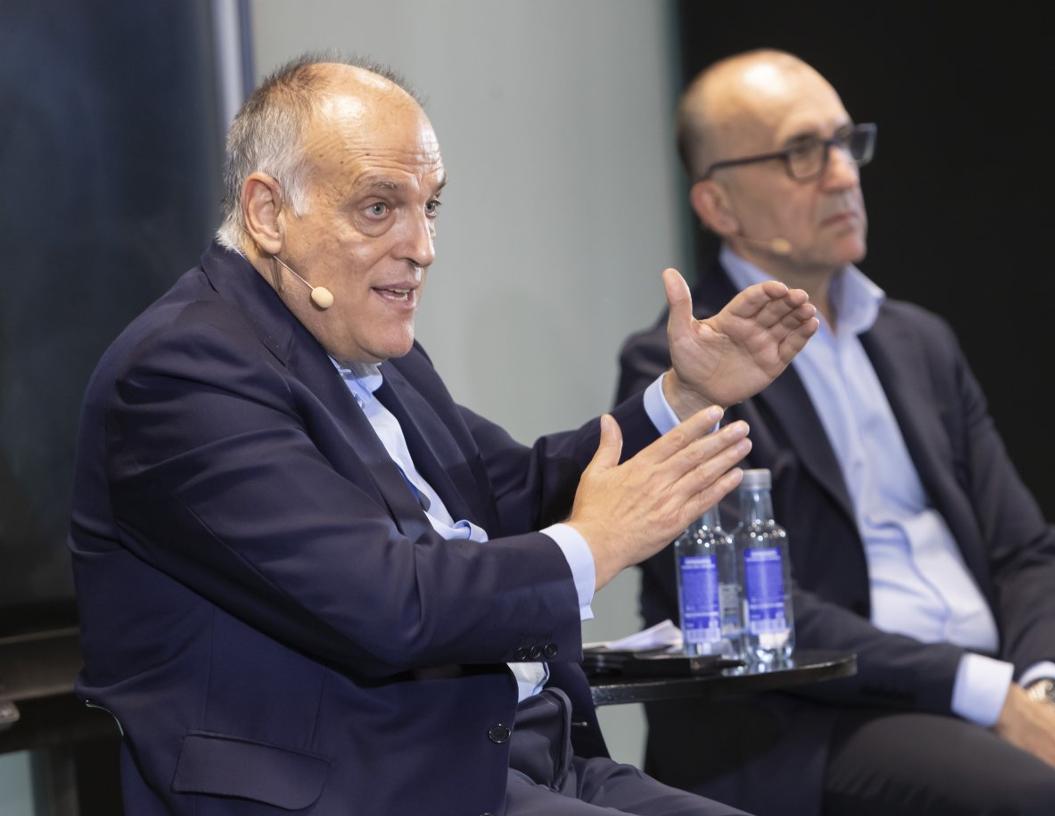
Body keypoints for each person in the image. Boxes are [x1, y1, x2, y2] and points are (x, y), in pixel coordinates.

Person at [68, 55, 820, 815]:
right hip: (375, 787)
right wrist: (594, 546)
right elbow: (385, 601)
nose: (422, 246)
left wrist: (683, 394)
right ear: (268, 213)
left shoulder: (371, 344)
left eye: (429, 207)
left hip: (518, 755)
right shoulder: (182, 371)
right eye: (378, 208)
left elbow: (517, 490)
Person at [615, 49, 1055, 816]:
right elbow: (752, 605)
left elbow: (1023, 550)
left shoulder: (918, 341)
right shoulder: (680, 371)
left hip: (1001, 680)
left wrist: (1046, 688)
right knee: (1033, 799)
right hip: (819, 714)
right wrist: (983, 693)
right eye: (801, 153)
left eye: (846, 143)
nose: (842, 175)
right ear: (719, 206)